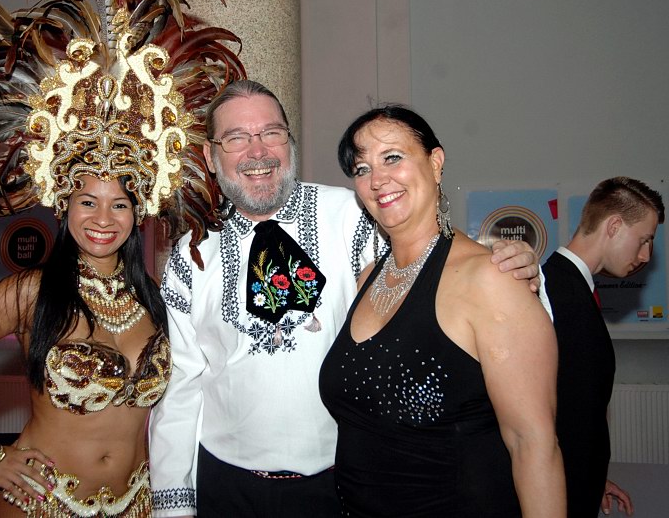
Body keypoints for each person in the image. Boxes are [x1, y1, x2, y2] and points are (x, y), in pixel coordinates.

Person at [0, 0, 244, 516]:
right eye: (88, 202)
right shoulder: (29, 292)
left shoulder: (156, 298)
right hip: (43, 502)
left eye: (119, 204)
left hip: (137, 504)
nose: (103, 219)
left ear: (139, 213)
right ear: (63, 206)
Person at [148, 81, 546, 517]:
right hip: (227, 489)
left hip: (341, 488)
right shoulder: (191, 255)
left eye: (271, 133)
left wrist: (520, 268)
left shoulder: (355, 215)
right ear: (210, 156)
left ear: (290, 142)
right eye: (237, 138)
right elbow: (180, 387)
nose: (258, 151)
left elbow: (440, 273)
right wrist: (174, 504)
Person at [319, 105, 565, 517]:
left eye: (392, 157)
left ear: (435, 163)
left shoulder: (490, 279)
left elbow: (533, 445)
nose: (377, 179)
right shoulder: (367, 280)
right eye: (362, 169)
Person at [543, 177, 663, 517]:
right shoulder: (554, 292)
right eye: (644, 239)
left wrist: (595, 479)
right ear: (613, 226)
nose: (646, 255)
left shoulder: (572, 287)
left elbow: (575, 404)